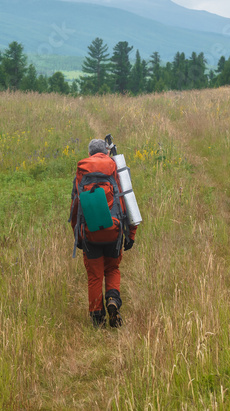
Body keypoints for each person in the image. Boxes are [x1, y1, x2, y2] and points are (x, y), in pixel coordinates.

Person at [69, 138, 137, 327]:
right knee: (113, 269)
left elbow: (75, 208)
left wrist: (78, 236)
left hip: (90, 232)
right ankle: (113, 300)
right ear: (106, 153)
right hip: (114, 231)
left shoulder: (82, 174)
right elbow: (128, 203)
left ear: (90, 154)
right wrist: (131, 234)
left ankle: (97, 318)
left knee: (95, 275)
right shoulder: (115, 170)